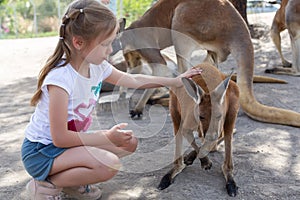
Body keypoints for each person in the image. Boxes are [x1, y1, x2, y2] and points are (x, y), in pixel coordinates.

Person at [21, 0, 202, 199]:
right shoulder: (60, 79)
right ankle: (45, 184)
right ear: (79, 42)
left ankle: (71, 183)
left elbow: (133, 79)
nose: (110, 51)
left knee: (129, 143)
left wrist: (174, 81)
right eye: (105, 44)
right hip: (42, 152)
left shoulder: (98, 67)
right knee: (109, 164)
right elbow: (60, 138)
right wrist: (106, 136)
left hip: (66, 147)